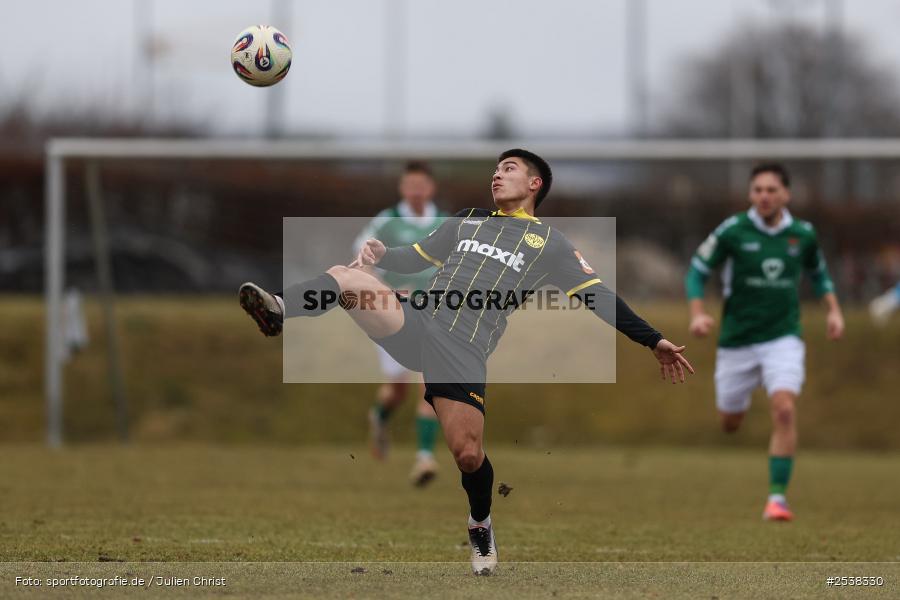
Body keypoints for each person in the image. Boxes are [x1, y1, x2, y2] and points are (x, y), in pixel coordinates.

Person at [240, 149, 694, 575]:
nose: (498, 173)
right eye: (497, 168)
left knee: (468, 455)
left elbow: (598, 297)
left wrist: (652, 340)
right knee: (346, 277)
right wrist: (382, 255)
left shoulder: (550, 244)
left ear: (534, 183)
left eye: (510, 168)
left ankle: (480, 523)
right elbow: (416, 257)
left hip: (462, 351)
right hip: (417, 320)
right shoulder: (466, 222)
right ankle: (279, 307)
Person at [685, 162, 844, 522]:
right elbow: (697, 271)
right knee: (730, 421)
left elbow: (819, 275)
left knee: (785, 409)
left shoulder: (803, 234)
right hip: (737, 341)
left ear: (786, 194)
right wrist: (697, 313)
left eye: (772, 190)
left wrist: (833, 310)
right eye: (758, 190)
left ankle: (777, 499)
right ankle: (735, 408)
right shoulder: (733, 231)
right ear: (750, 195)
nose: (764, 196)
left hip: (782, 337)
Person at [352, 161, 447, 486]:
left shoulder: (444, 223)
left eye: (422, 184)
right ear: (402, 189)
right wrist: (382, 291)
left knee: (429, 384)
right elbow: (361, 263)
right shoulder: (386, 222)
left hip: (432, 315)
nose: (416, 190)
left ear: (430, 188)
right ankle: (379, 416)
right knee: (397, 390)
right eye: (410, 185)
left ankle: (424, 457)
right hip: (393, 313)